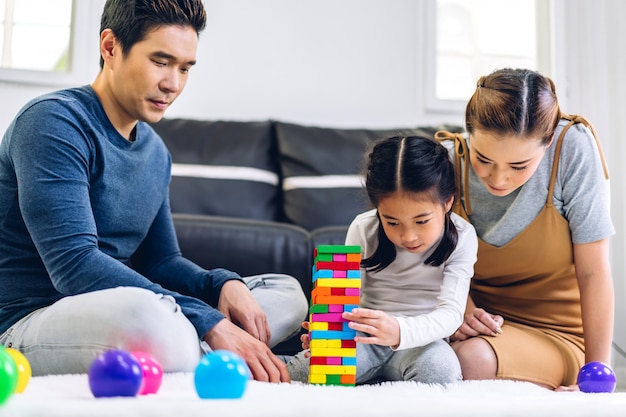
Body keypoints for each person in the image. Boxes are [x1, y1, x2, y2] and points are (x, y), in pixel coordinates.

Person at [0, 0, 308, 383]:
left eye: (184, 67)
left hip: (133, 312)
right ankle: (218, 354)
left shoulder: (156, 151)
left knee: (286, 292)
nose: (173, 84)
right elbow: (74, 265)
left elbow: (162, 262)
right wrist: (207, 319)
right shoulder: (53, 122)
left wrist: (224, 283)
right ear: (110, 47)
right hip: (32, 320)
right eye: (160, 61)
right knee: (154, 322)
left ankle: (200, 352)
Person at [435, 68, 614, 390]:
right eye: (483, 158)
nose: (498, 179)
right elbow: (422, 254)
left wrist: (596, 375)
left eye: (519, 166)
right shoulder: (451, 160)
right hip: (471, 324)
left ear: (548, 144)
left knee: (471, 360)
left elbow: (593, 273)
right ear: (468, 135)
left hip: (556, 331)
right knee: (432, 360)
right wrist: (461, 307)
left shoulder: (572, 148)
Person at [287, 135, 478, 384]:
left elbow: (452, 314)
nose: (408, 235)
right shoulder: (363, 228)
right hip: (363, 338)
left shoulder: (463, 236)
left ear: (447, 202)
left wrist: (399, 331)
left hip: (423, 342)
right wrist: (325, 332)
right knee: (305, 370)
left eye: (421, 221)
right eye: (392, 222)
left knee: (442, 372)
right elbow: (342, 300)